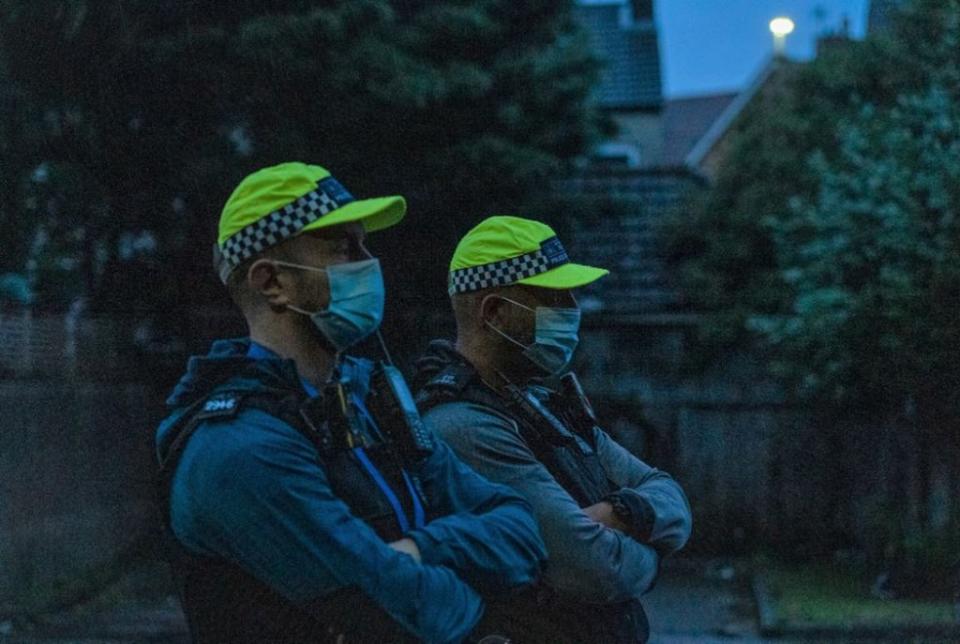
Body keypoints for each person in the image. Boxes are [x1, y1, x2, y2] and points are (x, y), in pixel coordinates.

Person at [155, 166, 546, 643]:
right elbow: (399, 606)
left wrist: (419, 549)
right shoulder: (238, 445)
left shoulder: (369, 400)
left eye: (365, 245)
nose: (369, 263)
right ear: (272, 283)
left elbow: (520, 529)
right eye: (343, 247)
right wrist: (478, 601)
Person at [414, 215, 693, 643]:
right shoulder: (464, 425)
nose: (572, 310)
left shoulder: (542, 404)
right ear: (494, 313)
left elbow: (669, 494)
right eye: (555, 297)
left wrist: (621, 513)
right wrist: (654, 555)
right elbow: (594, 570)